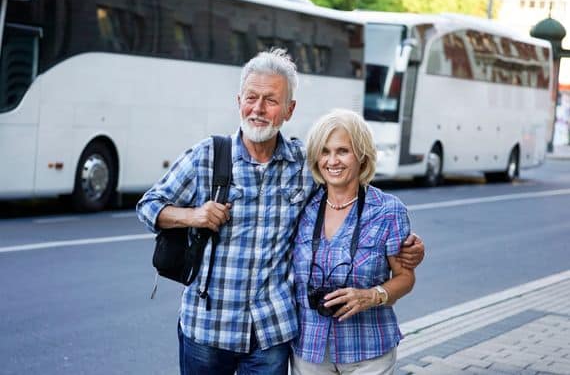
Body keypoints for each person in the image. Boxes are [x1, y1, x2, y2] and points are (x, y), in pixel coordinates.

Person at [136, 49, 424, 375]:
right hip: (207, 328)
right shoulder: (206, 156)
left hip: (271, 335)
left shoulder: (305, 164)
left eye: (271, 100)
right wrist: (192, 216)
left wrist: (407, 247)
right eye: (251, 98)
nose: (258, 109)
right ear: (239, 100)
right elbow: (148, 205)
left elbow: (351, 199)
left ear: (289, 109)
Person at [291, 109, 416, 375]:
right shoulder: (304, 208)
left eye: (342, 151)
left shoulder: (388, 210)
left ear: (362, 156)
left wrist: (371, 296)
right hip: (309, 348)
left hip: (368, 350)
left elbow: (405, 278)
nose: (332, 161)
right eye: (325, 152)